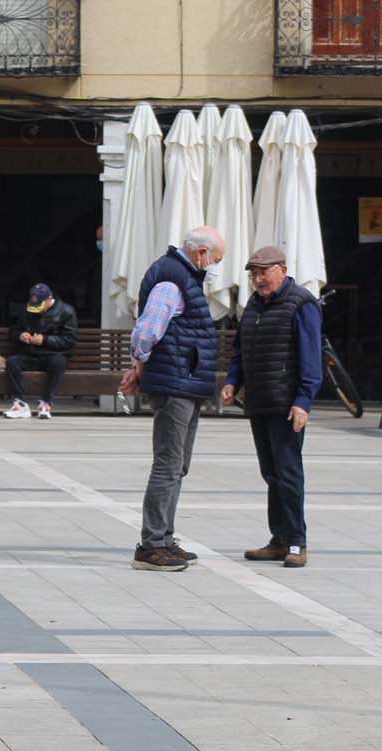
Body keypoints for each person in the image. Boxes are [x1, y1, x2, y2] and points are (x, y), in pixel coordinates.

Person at [119, 226, 225, 571]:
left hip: (185, 381)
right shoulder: (170, 280)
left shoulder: (183, 278)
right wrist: (139, 363)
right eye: (215, 260)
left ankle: (164, 537)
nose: (213, 267)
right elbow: (147, 330)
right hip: (174, 383)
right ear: (200, 253)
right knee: (168, 463)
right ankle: (151, 544)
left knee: (178, 465)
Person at [220, 245, 323, 569]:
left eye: (264, 272)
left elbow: (311, 358)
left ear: (282, 269)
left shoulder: (301, 303)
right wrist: (232, 381)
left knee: (289, 473)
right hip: (260, 401)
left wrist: (303, 401)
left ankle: (296, 542)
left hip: (287, 404)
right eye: (253, 274)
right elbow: (241, 349)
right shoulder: (254, 305)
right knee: (272, 473)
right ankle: (279, 539)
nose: (258, 279)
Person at [3, 283, 79, 420]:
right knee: (12, 362)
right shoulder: (26, 309)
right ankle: (20, 404)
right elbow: (14, 330)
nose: (36, 308)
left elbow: (70, 339)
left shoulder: (66, 311)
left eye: (40, 304)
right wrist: (20, 336)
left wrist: (45, 340)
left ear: (49, 299)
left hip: (51, 354)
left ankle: (46, 402)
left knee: (58, 362)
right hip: (30, 353)